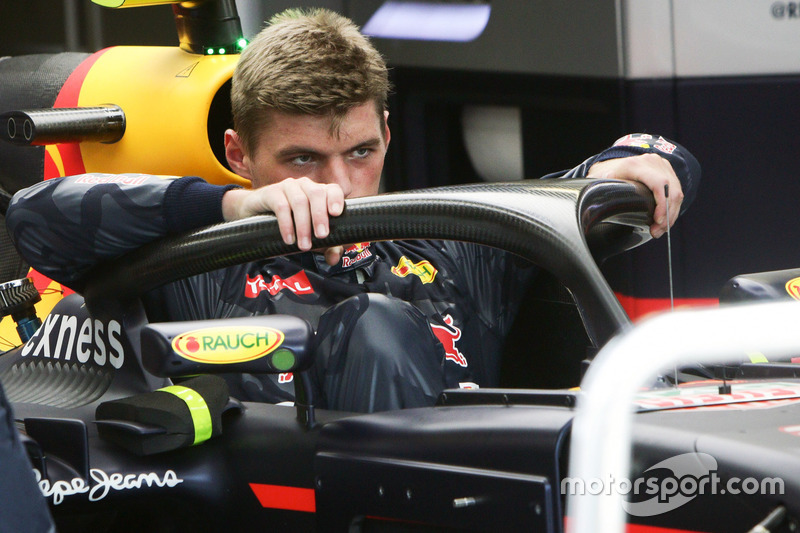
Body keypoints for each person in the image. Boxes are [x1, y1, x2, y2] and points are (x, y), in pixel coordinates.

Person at [7, 8, 700, 413]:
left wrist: (647, 159)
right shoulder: (198, 262)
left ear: (388, 136)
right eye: (303, 159)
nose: (340, 187)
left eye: (362, 152)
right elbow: (36, 218)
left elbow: (652, 160)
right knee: (373, 328)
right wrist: (236, 206)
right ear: (238, 152)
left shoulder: (455, 245)